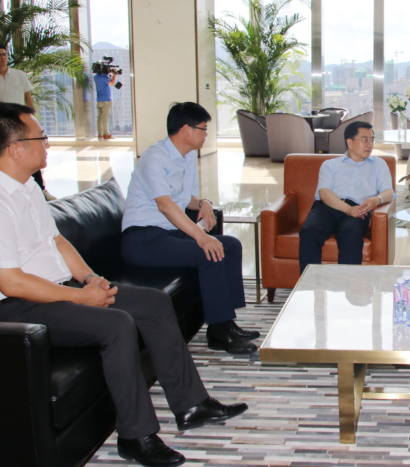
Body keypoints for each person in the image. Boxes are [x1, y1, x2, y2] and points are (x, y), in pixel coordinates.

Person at [0, 103, 248, 467]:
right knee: (117, 324)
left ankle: (192, 404)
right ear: (15, 148)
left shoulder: (29, 189)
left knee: (154, 303)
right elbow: (11, 281)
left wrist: (91, 279)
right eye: (41, 137)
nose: (48, 144)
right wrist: (80, 297)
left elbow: (58, 241)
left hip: (59, 288)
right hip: (20, 306)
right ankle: (136, 436)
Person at [121, 102, 259, 355]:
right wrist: (201, 237)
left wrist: (204, 203)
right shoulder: (154, 157)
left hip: (166, 235)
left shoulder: (187, 157)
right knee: (210, 251)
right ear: (185, 129)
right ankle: (219, 335)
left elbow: (184, 200)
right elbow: (165, 205)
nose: (206, 135)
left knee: (230, 245)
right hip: (142, 239)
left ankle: (225, 322)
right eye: (203, 129)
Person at [299, 121, 394, 274]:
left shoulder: (378, 164)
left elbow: (388, 192)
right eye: (364, 140)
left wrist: (376, 200)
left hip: (359, 209)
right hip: (328, 206)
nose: (369, 145)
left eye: (372, 140)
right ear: (350, 142)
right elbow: (324, 192)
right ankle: (309, 284)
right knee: (309, 232)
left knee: (350, 234)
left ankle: (348, 284)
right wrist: (348, 209)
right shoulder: (330, 165)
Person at [0, 45, 54, 200]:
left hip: (21, 122)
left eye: (4, 54)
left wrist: (32, 117)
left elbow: (27, 96)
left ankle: (41, 190)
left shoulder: (19, 74)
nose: (2, 58)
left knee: (31, 154)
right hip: (3, 125)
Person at [94, 68, 117, 140]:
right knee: (105, 118)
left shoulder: (96, 76)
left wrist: (109, 74)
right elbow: (112, 83)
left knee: (99, 117)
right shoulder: (104, 77)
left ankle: (100, 133)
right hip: (106, 100)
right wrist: (114, 75)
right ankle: (106, 134)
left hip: (99, 100)